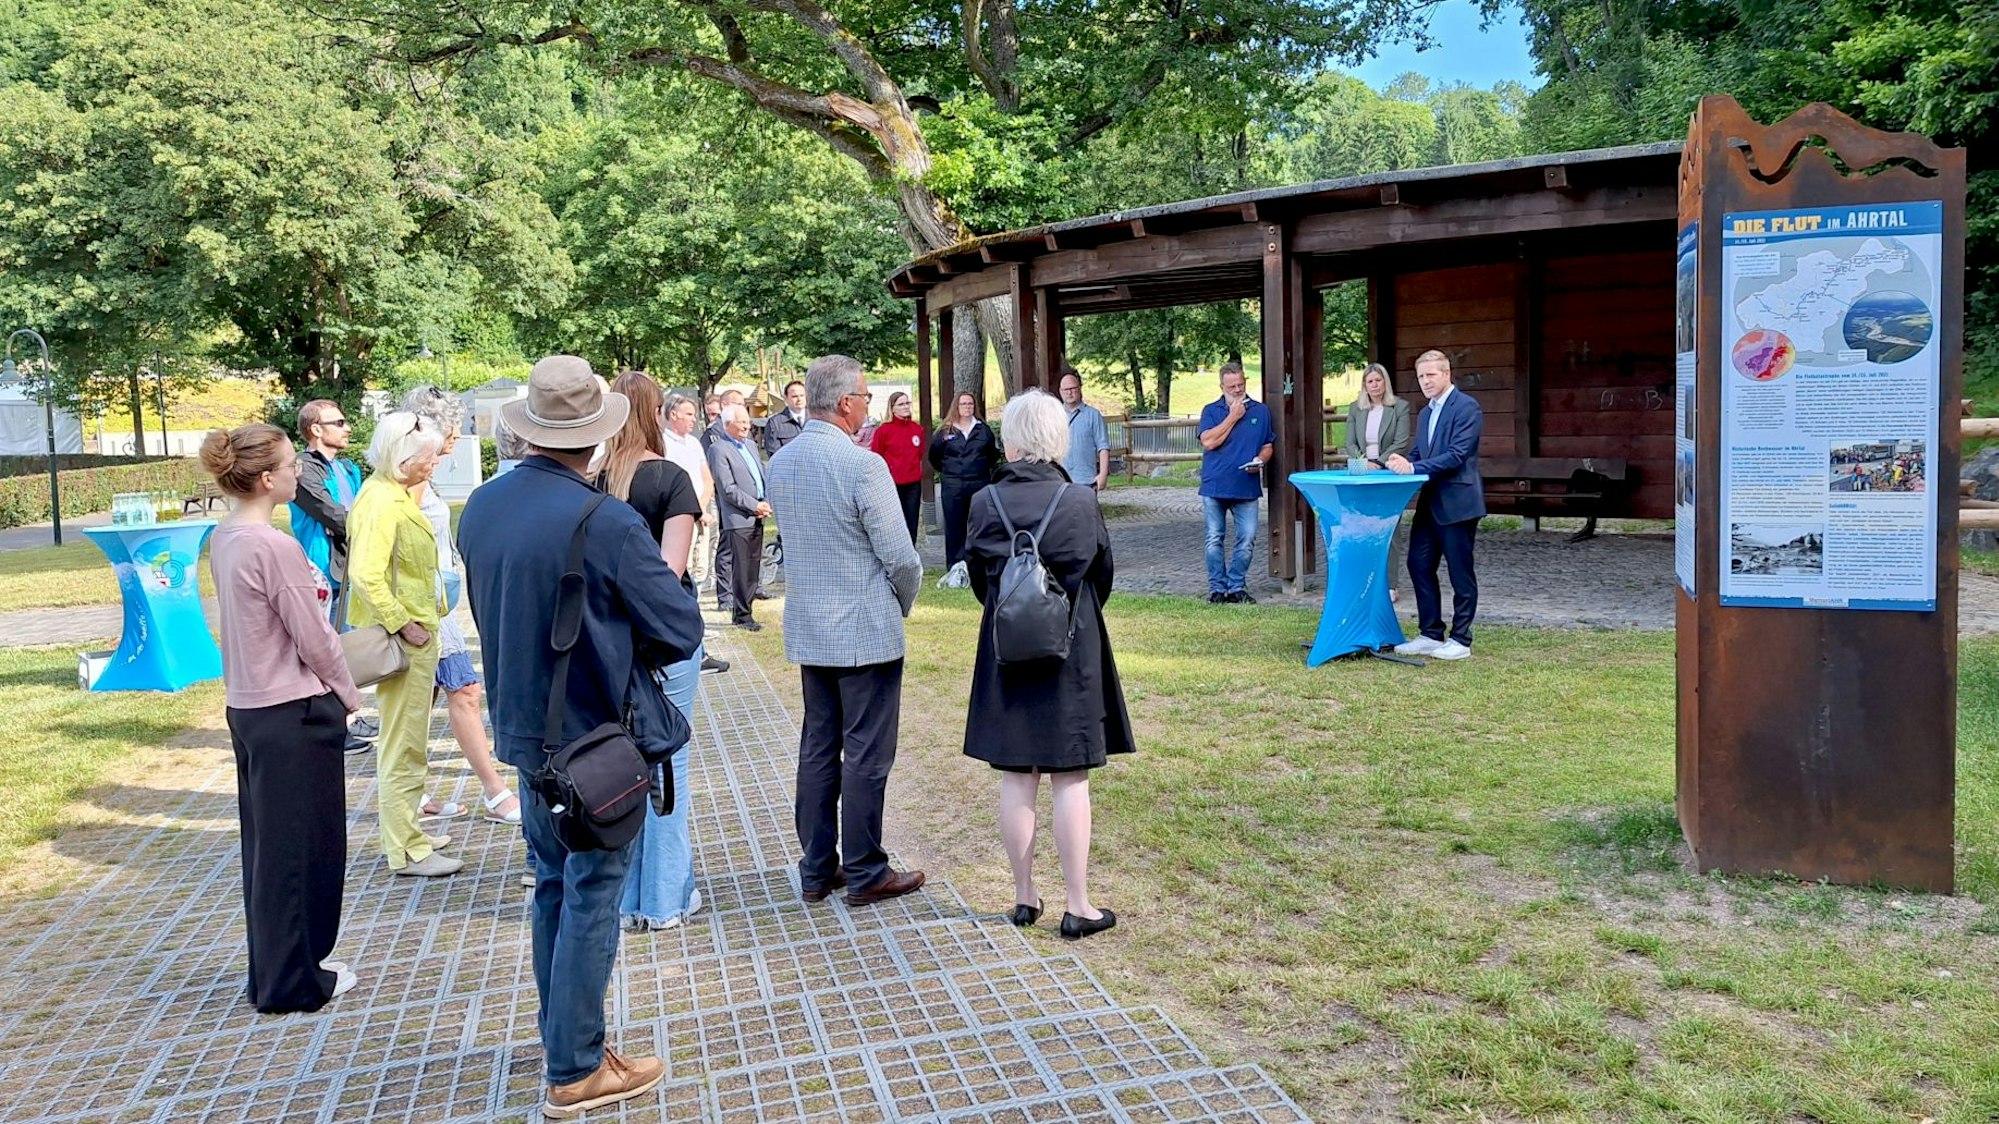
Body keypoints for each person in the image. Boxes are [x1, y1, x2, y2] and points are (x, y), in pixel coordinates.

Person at [459, 355, 703, 1120]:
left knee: (552, 885)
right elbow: (679, 628)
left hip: (522, 728)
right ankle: (575, 1067)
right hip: (594, 739)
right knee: (592, 891)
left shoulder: (483, 506)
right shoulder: (605, 521)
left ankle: (566, 1043)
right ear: (595, 437)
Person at [962, 390, 1133, 940]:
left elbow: (980, 579)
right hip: (1071, 646)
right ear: (1058, 439)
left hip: (1007, 649)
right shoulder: (1080, 500)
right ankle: (1078, 904)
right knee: (1069, 776)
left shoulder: (984, 501)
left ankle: (1023, 895)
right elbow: (1102, 574)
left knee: (1017, 775)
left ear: (1011, 439)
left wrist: (1014, 610)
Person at [203, 423, 362, 1011]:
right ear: (267, 479)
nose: (299, 472)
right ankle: (292, 982)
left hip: (250, 706)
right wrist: (349, 694)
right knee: (303, 852)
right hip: (291, 708)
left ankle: (279, 970)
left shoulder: (226, 536)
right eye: (291, 465)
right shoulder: (274, 546)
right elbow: (314, 637)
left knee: (269, 852)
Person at [767, 354, 926, 907]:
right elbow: (901, 557)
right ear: (844, 403)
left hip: (812, 626)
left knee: (818, 745)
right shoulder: (863, 465)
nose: (867, 406)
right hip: (863, 629)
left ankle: (816, 868)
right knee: (865, 752)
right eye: (864, 397)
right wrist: (901, 602)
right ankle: (865, 870)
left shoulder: (781, 463)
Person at [594, 372, 710, 931]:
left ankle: (624, 897)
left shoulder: (592, 481)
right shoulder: (670, 479)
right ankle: (664, 897)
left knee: (620, 761)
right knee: (668, 759)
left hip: (607, 636)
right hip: (662, 637)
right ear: (657, 413)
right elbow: (669, 572)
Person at [347, 411, 460, 877]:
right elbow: (365, 574)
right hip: (404, 642)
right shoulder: (381, 501)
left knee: (411, 740)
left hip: (417, 636)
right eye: (428, 456)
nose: (434, 463)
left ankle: (410, 832)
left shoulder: (390, 493)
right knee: (403, 744)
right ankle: (407, 848)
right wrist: (403, 624)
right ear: (402, 458)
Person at [401, 386, 520, 827]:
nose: (459, 435)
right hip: (424, 605)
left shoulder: (423, 475)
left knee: (424, 698)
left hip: (437, 601)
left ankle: (413, 793)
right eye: (454, 427)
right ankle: (495, 791)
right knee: (465, 691)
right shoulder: (409, 478)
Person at [289, 398, 375, 754]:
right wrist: (367, 525)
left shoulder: (347, 468)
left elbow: (358, 512)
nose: (347, 428)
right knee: (325, 650)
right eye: (338, 423)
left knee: (345, 646)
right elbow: (334, 515)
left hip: (350, 566)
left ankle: (349, 716)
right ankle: (333, 727)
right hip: (323, 571)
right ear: (316, 429)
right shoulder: (304, 469)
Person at [1388, 349, 1485, 661]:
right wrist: (1401, 461)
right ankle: (1430, 633)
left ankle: (1460, 639)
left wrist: (1414, 467)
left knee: (1460, 572)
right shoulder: (1426, 413)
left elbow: (1457, 454)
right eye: (1421, 376)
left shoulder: (1467, 407)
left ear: (1447, 374)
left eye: (1431, 375)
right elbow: (1421, 452)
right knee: (1418, 564)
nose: (1425, 381)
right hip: (1430, 503)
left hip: (1458, 503)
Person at [662, 394, 730, 674]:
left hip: (700, 515)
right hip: (680, 520)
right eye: (688, 414)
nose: (694, 419)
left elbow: (706, 478)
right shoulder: (663, 444)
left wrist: (700, 507)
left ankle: (697, 639)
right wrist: (692, 510)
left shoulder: (693, 443)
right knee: (683, 577)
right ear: (673, 414)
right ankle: (688, 645)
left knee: (701, 574)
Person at [1196, 361, 1273, 604]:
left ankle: (1237, 586)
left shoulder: (1261, 411)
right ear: (1222, 387)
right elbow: (1209, 442)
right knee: (1214, 538)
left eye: (1241, 384)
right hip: (1215, 485)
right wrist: (1233, 417)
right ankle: (1217, 588)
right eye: (1232, 386)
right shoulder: (1211, 411)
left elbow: (1268, 445)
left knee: (1247, 538)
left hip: (1246, 485)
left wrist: (1260, 460)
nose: (1238, 389)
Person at [1344, 362, 1414, 600]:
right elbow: (1350, 443)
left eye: (1378, 380)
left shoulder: (1400, 407)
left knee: (1390, 529)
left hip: (1388, 471)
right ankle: (1365, 582)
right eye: (1370, 381)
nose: (1374, 385)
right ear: (1364, 385)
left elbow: (1401, 442)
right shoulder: (1356, 408)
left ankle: (1390, 584)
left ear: (1385, 382)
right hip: (1362, 472)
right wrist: (1364, 462)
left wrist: (1379, 463)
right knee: (1362, 528)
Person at [708, 403, 770, 630]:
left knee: (753, 567)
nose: (746, 426)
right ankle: (742, 616)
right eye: (741, 422)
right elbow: (727, 488)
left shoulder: (750, 445)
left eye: (747, 421)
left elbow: (760, 477)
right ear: (727, 424)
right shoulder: (719, 449)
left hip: (758, 514)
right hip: (739, 517)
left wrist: (765, 502)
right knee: (742, 568)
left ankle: (747, 611)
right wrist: (754, 505)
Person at [928, 391, 1000, 573]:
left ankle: (979, 565)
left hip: (978, 483)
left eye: (970, 404)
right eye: (963, 404)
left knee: (979, 524)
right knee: (954, 526)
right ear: (956, 407)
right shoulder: (946, 431)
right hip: (953, 485)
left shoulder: (983, 430)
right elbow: (934, 456)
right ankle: (955, 566)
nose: (967, 407)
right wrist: (951, 472)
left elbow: (992, 455)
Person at [869, 390, 926, 544]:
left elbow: (920, 453)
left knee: (912, 522)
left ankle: (911, 552)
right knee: (894, 524)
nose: (905, 406)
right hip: (892, 484)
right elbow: (876, 456)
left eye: (907, 403)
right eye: (901, 404)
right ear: (892, 408)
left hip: (913, 484)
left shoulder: (916, 429)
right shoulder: (883, 431)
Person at [1057, 368, 1111, 494]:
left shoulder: (1093, 415)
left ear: (1079, 388)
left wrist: (1103, 474)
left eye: (1073, 388)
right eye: (1066, 389)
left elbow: (1103, 447)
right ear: (1060, 391)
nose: (1069, 392)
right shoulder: (1055, 416)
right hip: (1060, 480)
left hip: (1086, 480)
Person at [762, 379, 807, 455]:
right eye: (794, 396)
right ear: (786, 399)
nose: (799, 399)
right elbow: (774, 454)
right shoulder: (775, 423)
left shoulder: (816, 419)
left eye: (802, 395)